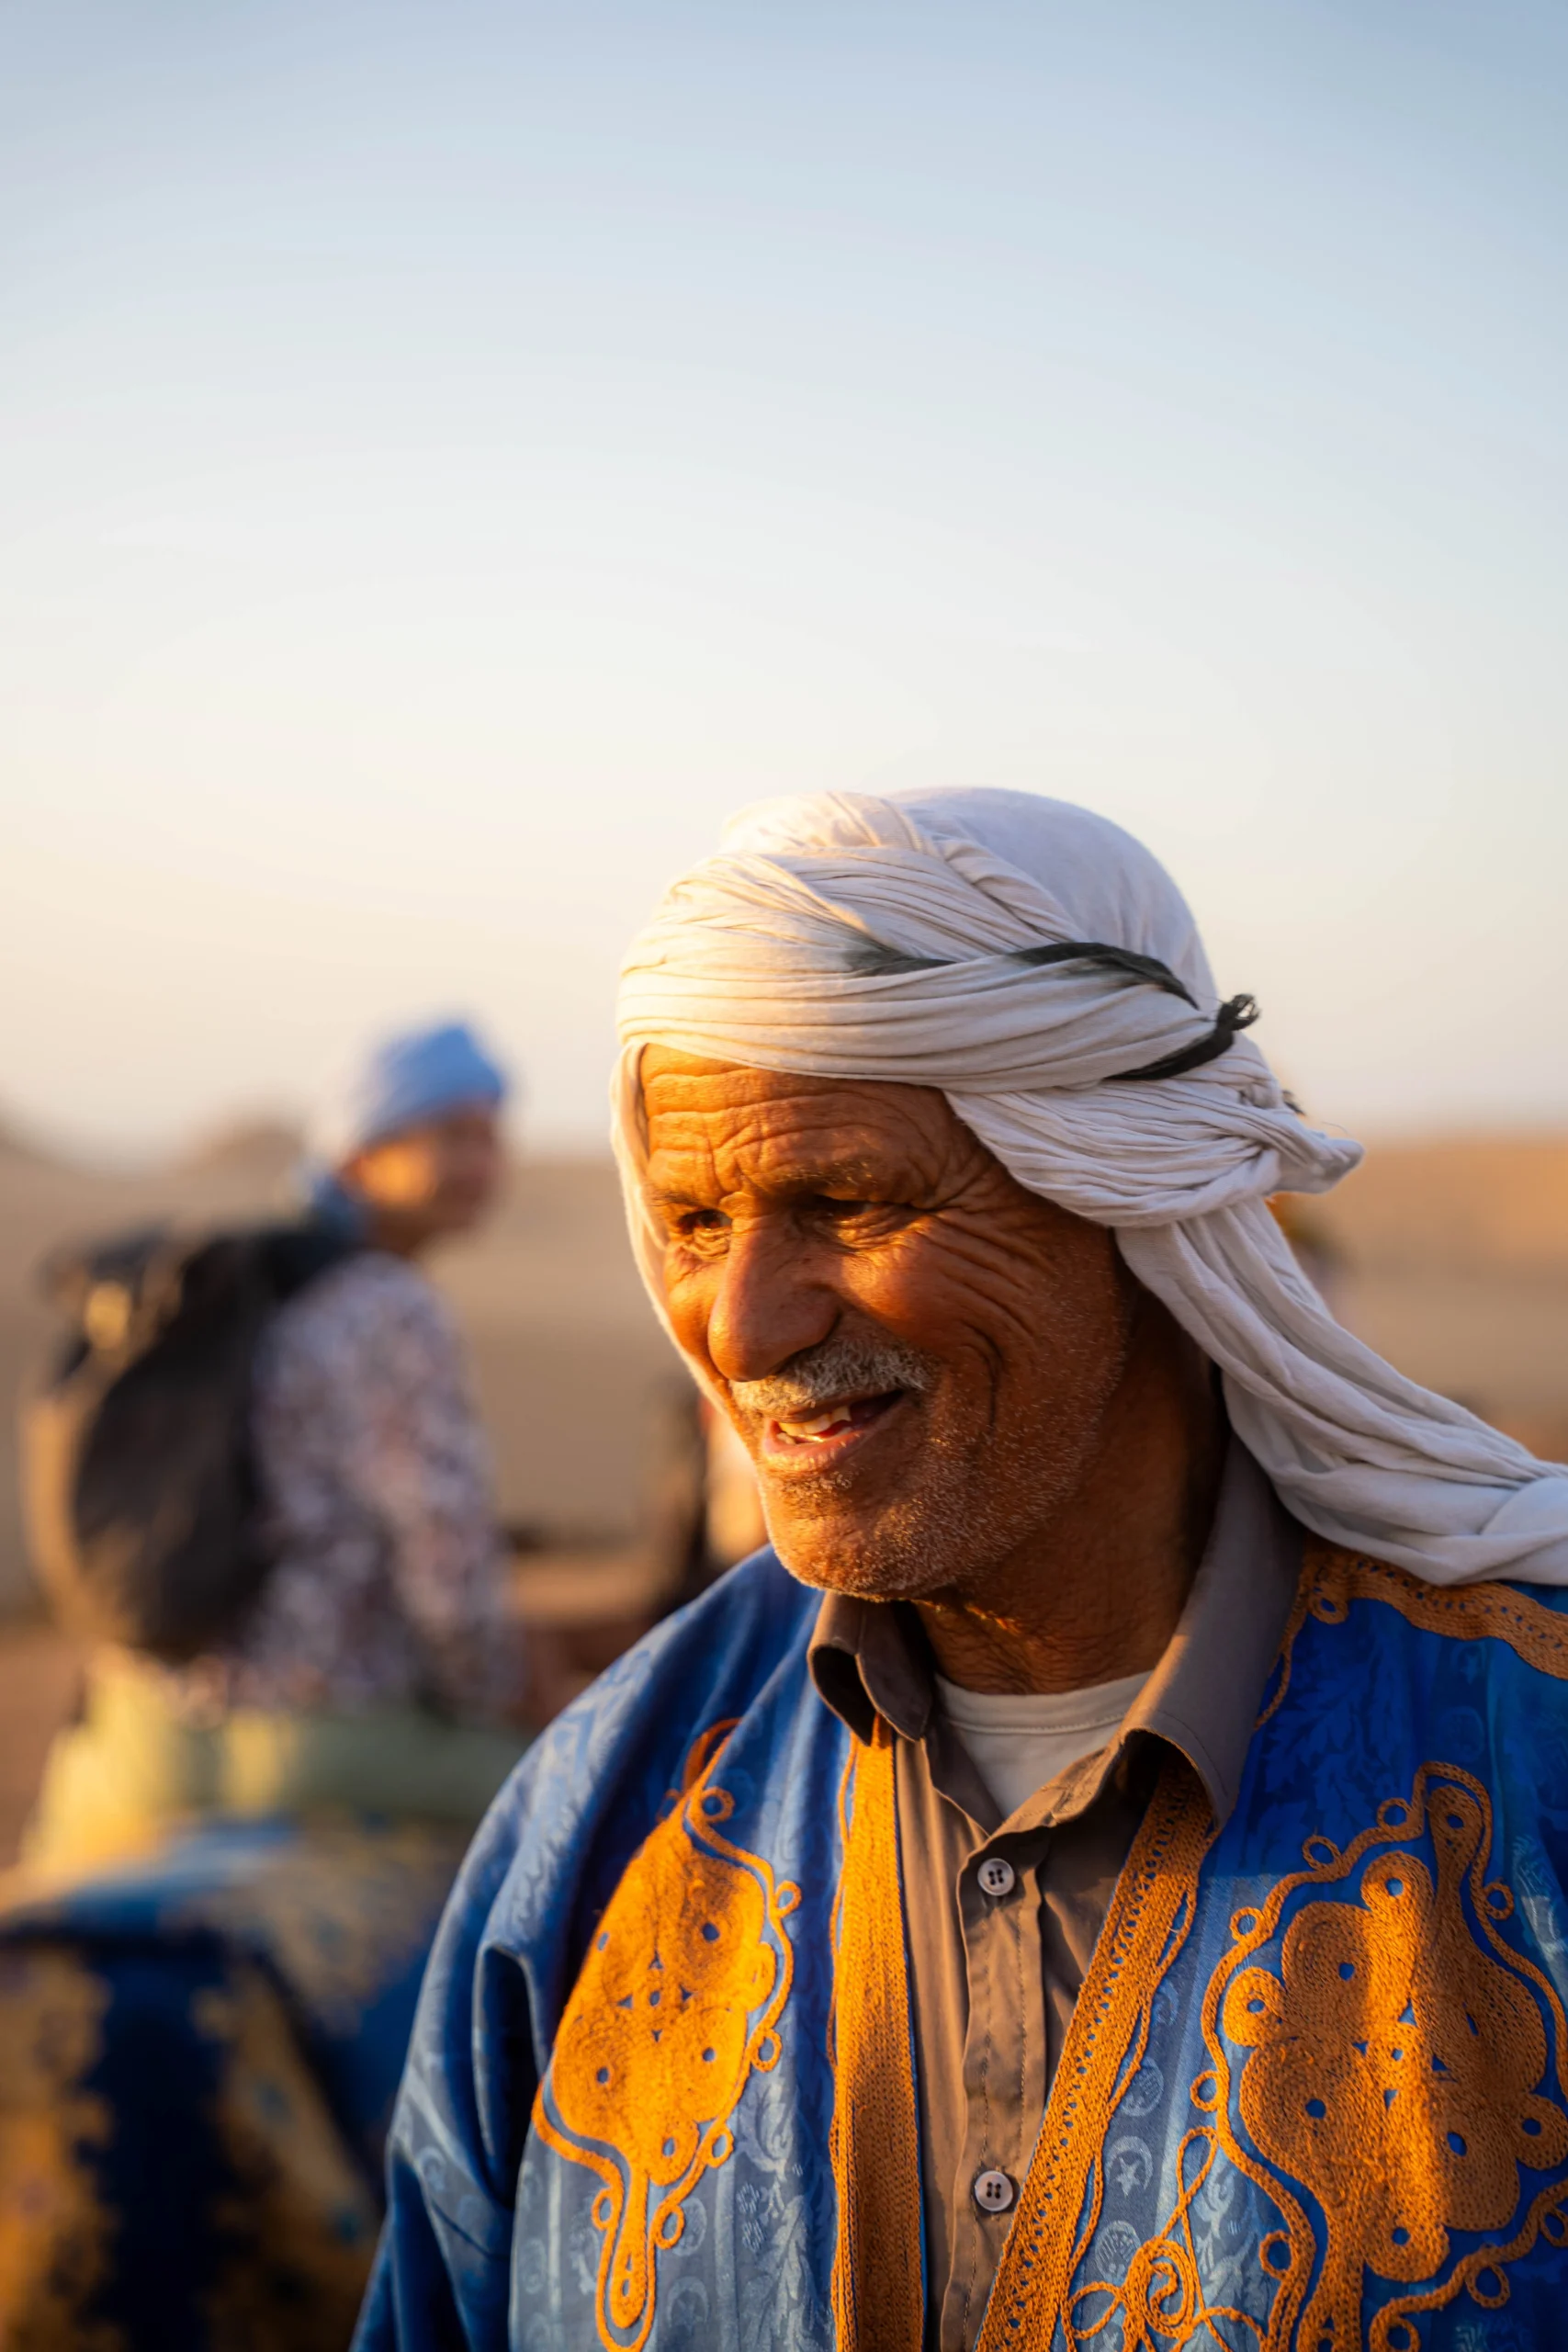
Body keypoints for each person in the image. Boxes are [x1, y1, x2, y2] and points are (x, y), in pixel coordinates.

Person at [358, 795, 1568, 2352]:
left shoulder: (1527, 1753)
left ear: (1126, 1179)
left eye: (847, 1204)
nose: (738, 1329)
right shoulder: (601, 1814)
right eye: (693, 1221)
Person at [2, 1019, 530, 2351]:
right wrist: (517, 1706)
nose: (483, 1164)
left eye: (489, 1131)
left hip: (137, 1742)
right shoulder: (387, 1309)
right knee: (610, 1813)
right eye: (450, 1134)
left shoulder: (234, 1293)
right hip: (331, 1744)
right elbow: (449, 1578)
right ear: (367, 1145)